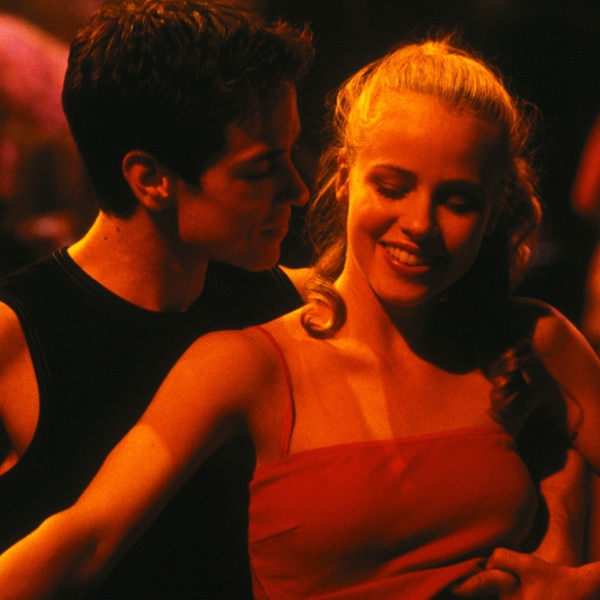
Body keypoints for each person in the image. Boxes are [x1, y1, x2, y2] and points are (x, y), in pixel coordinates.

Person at [2, 33, 600, 599]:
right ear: (343, 179)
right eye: (393, 187)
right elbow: (87, 535)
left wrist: (580, 584)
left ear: (494, 209)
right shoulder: (243, 362)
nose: (420, 223)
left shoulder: (532, 340)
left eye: (458, 201)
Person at [0, 1, 313, 598]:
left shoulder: (288, 304)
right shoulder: (18, 335)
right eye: (259, 170)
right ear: (150, 179)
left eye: (292, 155)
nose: (297, 190)